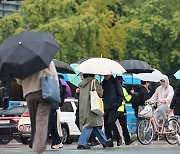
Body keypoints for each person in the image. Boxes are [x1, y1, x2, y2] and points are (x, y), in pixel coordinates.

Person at [17, 61, 58, 154]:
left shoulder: (23, 60)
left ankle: (35, 144)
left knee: (34, 122)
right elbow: (54, 76)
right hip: (44, 92)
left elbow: (19, 81)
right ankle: (37, 149)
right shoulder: (45, 58)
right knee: (42, 122)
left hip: (29, 93)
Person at [77, 74, 112, 149]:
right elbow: (100, 94)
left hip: (84, 106)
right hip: (92, 106)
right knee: (89, 124)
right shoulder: (94, 82)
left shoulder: (82, 84)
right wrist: (101, 88)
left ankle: (104, 141)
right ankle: (82, 143)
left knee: (95, 125)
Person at [102, 75, 124, 146]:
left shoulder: (115, 82)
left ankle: (118, 137)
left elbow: (121, 94)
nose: (104, 76)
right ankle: (109, 139)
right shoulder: (103, 83)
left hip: (113, 106)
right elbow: (102, 95)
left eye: (106, 74)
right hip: (106, 105)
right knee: (106, 124)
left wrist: (117, 104)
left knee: (111, 122)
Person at [116, 76, 134, 145]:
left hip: (113, 110)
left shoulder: (112, 88)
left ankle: (118, 139)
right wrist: (131, 93)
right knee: (124, 126)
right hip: (121, 110)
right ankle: (127, 140)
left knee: (114, 126)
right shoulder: (122, 89)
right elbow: (128, 99)